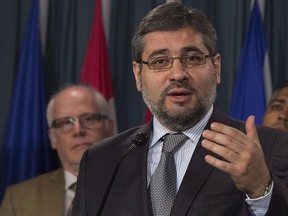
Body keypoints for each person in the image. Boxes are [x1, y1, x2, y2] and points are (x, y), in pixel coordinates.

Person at [73, 3, 288, 216]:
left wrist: (262, 189)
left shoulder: (269, 148)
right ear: (138, 75)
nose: (178, 74)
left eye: (192, 58)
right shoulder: (101, 160)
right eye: (160, 61)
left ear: (216, 68)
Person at [0, 84, 114, 216]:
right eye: (66, 123)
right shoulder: (18, 199)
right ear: (52, 137)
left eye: (88, 119)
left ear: (109, 128)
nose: (78, 130)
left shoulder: (137, 186)